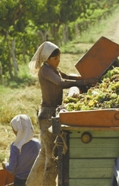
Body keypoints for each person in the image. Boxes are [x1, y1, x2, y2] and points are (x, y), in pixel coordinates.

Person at [26, 41, 97, 186]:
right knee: (52, 157)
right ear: (47, 58)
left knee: (45, 153)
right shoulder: (45, 70)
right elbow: (61, 83)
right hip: (48, 114)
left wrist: (86, 80)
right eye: (55, 59)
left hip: (50, 112)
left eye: (59, 58)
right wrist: (83, 82)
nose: (58, 61)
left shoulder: (53, 69)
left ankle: (32, 183)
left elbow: (68, 77)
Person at [2, 115, 40, 186]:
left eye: (13, 128)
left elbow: (11, 169)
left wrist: (5, 164)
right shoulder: (37, 143)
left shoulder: (15, 146)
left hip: (20, 181)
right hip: (35, 179)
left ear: (18, 131)